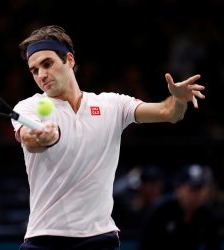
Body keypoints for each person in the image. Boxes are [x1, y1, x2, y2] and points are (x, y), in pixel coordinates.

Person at [11, 25, 205, 250]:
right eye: (34, 71)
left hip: (98, 238)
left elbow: (169, 113)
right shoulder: (28, 107)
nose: (42, 75)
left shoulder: (111, 105)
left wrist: (179, 100)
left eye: (47, 64)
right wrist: (42, 138)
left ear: (70, 60)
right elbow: (28, 139)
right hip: (44, 238)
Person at [137, 164, 222, 250]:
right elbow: (145, 245)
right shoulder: (160, 211)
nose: (197, 195)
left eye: (200, 189)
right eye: (192, 189)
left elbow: (213, 245)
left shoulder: (208, 214)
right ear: (179, 189)